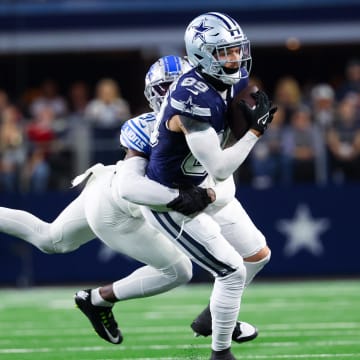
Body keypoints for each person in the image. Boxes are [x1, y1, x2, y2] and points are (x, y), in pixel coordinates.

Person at [0, 55, 257, 346]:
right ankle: (102, 300)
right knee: (181, 270)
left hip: (112, 188)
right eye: (165, 87)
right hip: (116, 206)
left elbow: (220, 184)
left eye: (178, 84)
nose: (174, 92)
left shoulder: (205, 123)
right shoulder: (149, 127)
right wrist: (189, 196)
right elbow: (131, 187)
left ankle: (99, 301)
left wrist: (207, 193)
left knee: (50, 239)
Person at [138, 12, 276, 360]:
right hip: (174, 199)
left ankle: (212, 317)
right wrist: (255, 133)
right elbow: (221, 165)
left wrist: (239, 122)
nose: (234, 59)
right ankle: (221, 353)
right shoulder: (190, 98)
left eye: (235, 50)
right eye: (224, 52)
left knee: (257, 255)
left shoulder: (226, 78)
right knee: (230, 270)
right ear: (202, 54)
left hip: (202, 183)